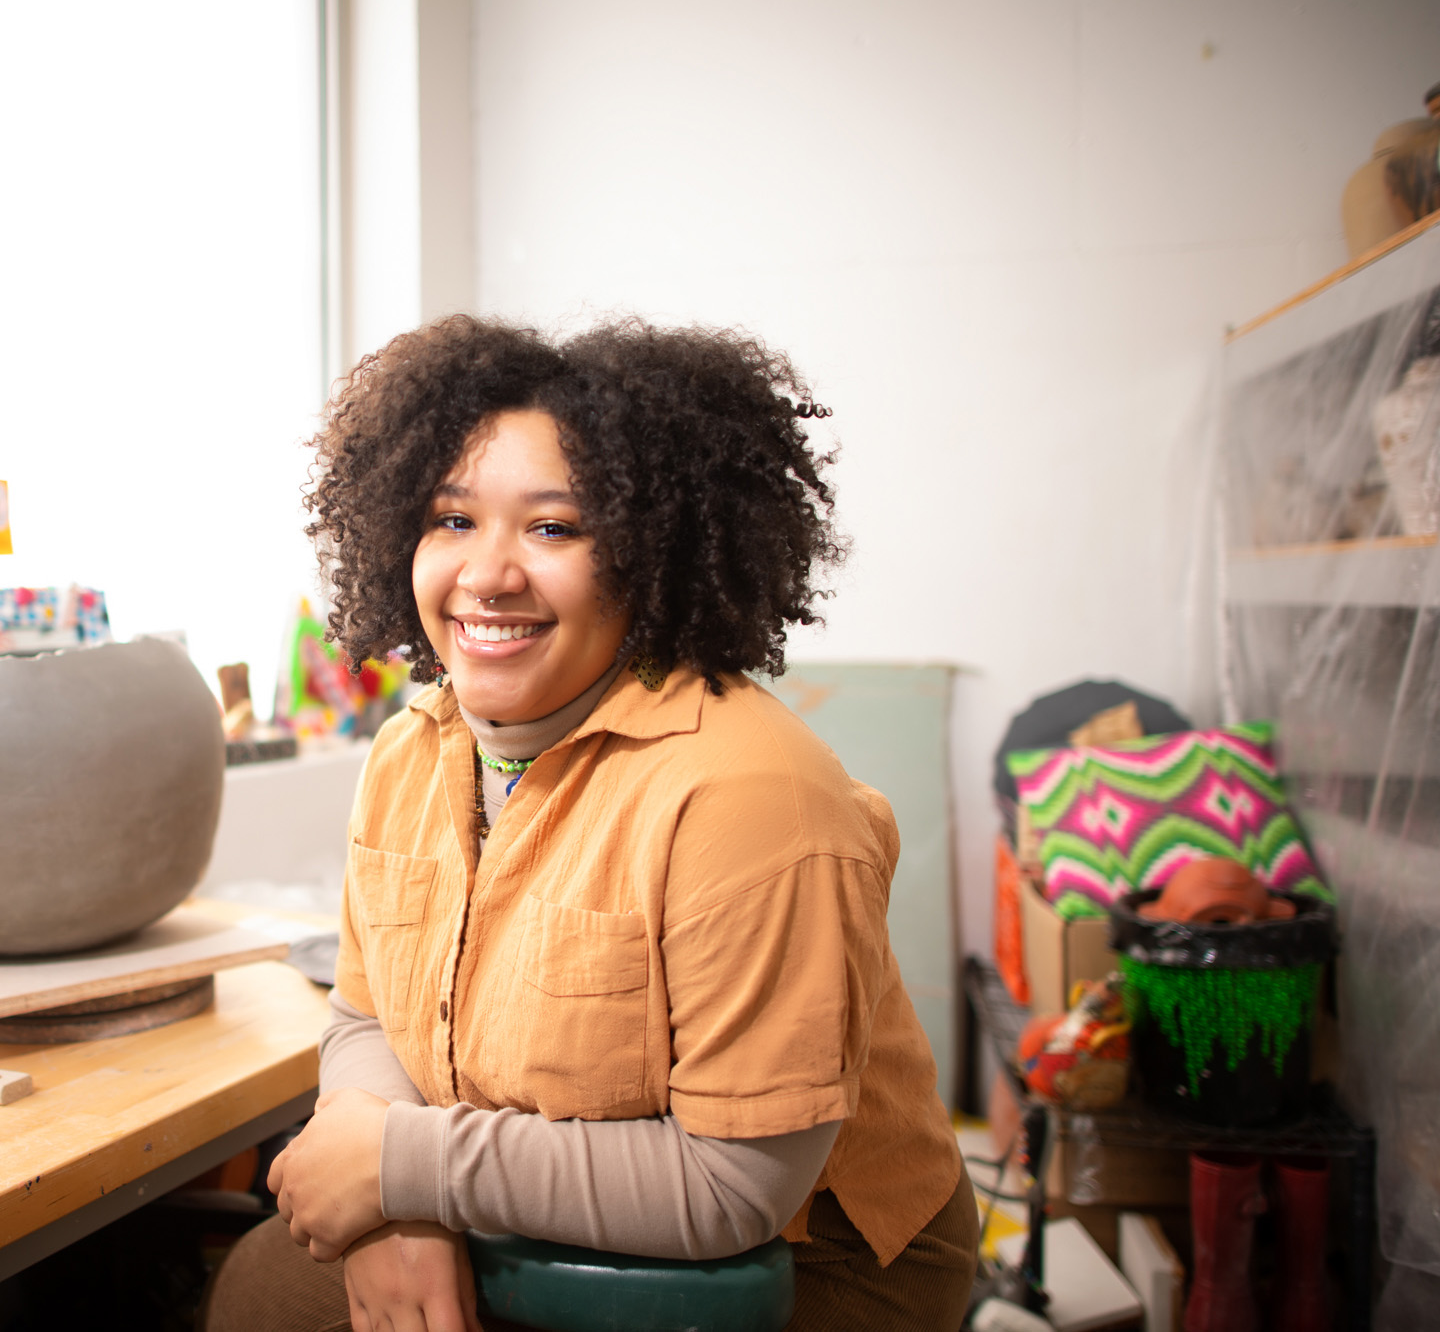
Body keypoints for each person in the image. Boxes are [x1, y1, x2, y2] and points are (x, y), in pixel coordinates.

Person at [202, 316, 976, 1332]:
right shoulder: (411, 752)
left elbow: (731, 1186)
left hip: (786, 1270)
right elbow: (365, 1019)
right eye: (450, 519)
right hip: (524, 1217)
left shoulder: (747, 794)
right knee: (260, 1287)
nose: (488, 573)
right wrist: (391, 1199)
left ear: (647, 551)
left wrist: (402, 1168)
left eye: (553, 527)